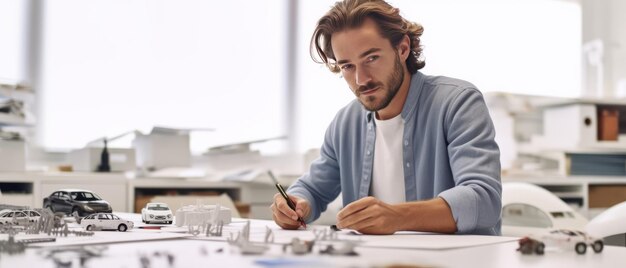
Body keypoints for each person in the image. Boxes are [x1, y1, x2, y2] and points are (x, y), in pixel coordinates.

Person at [270, 0, 501, 235]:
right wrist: (295, 205)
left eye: (371, 58)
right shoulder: (345, 123)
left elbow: (483, 201)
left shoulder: (457, 103)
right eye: (348, 66)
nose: (361, 79)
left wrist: (397, 216)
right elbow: (313, 189)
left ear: (402, 49)